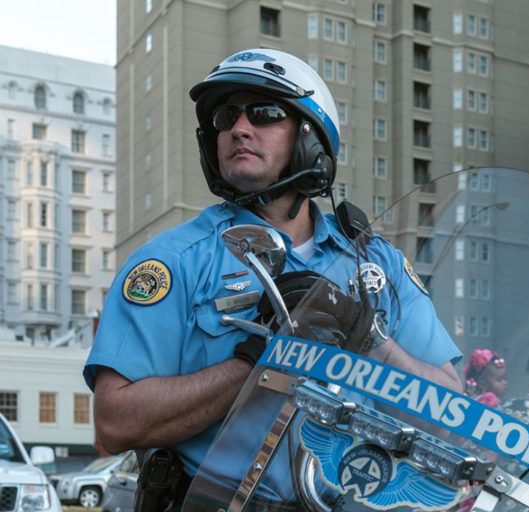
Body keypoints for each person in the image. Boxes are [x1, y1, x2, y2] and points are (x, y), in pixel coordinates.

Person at [83, 48, 463, 509]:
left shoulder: (377, 266)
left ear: (310, 138)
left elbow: (451, 417)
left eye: (263, 113)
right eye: (225, 117)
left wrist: (370, 338)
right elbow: (115, 424)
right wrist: (257, 361)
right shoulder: (173, 262)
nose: (238, 129)